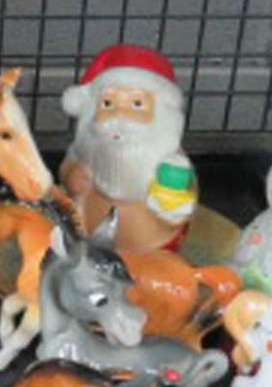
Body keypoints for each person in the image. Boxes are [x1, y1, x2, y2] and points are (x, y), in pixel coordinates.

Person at [59, 44, 196, 256]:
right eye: (107, 103)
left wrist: (172, 211)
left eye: (137, 104)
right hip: (91, 237)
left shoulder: (170, 163)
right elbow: (67, 171)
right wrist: (71, 175)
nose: (119, 115)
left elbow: (184, 201)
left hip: (151, 245)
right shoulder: (86, 151)